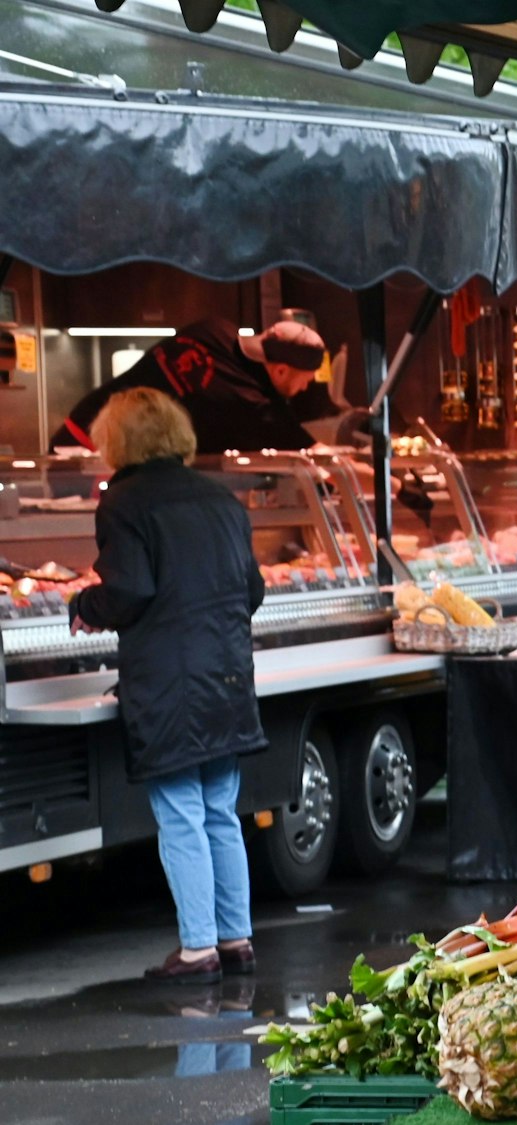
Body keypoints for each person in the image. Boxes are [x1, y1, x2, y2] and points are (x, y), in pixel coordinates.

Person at [70, 388, 265, 983]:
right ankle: (236, 940)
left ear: (118, 440)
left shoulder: (125, 502)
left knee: (181, 814)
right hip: (227, 676)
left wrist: (84, 604)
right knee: (220, 813)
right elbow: (252, 590)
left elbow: (130, 590)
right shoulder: (221, 498)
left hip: (169, 686)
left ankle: (198, 949)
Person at [57, 318, 336, 455]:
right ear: (281, 369)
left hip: (79, 428)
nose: (305, 387)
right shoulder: (249, 402)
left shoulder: (213, 328)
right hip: (97, 452)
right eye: (306, 379)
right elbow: (314, 455)